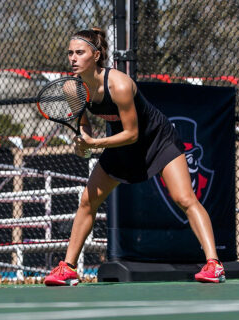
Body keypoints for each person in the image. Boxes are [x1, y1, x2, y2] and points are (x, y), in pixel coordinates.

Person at [43, 27, 225, 286]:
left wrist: (96, 143)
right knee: (87, 201)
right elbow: (84, 125)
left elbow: (132, 133)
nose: (73, 58)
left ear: (95, 56)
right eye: (70, 53)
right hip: (120, 147)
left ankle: (214, 265)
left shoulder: (119, 84)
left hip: (157, 141)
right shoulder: (73, 89)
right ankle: (68, 268)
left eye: (79, 52)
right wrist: (82, 141)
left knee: (184, 198)